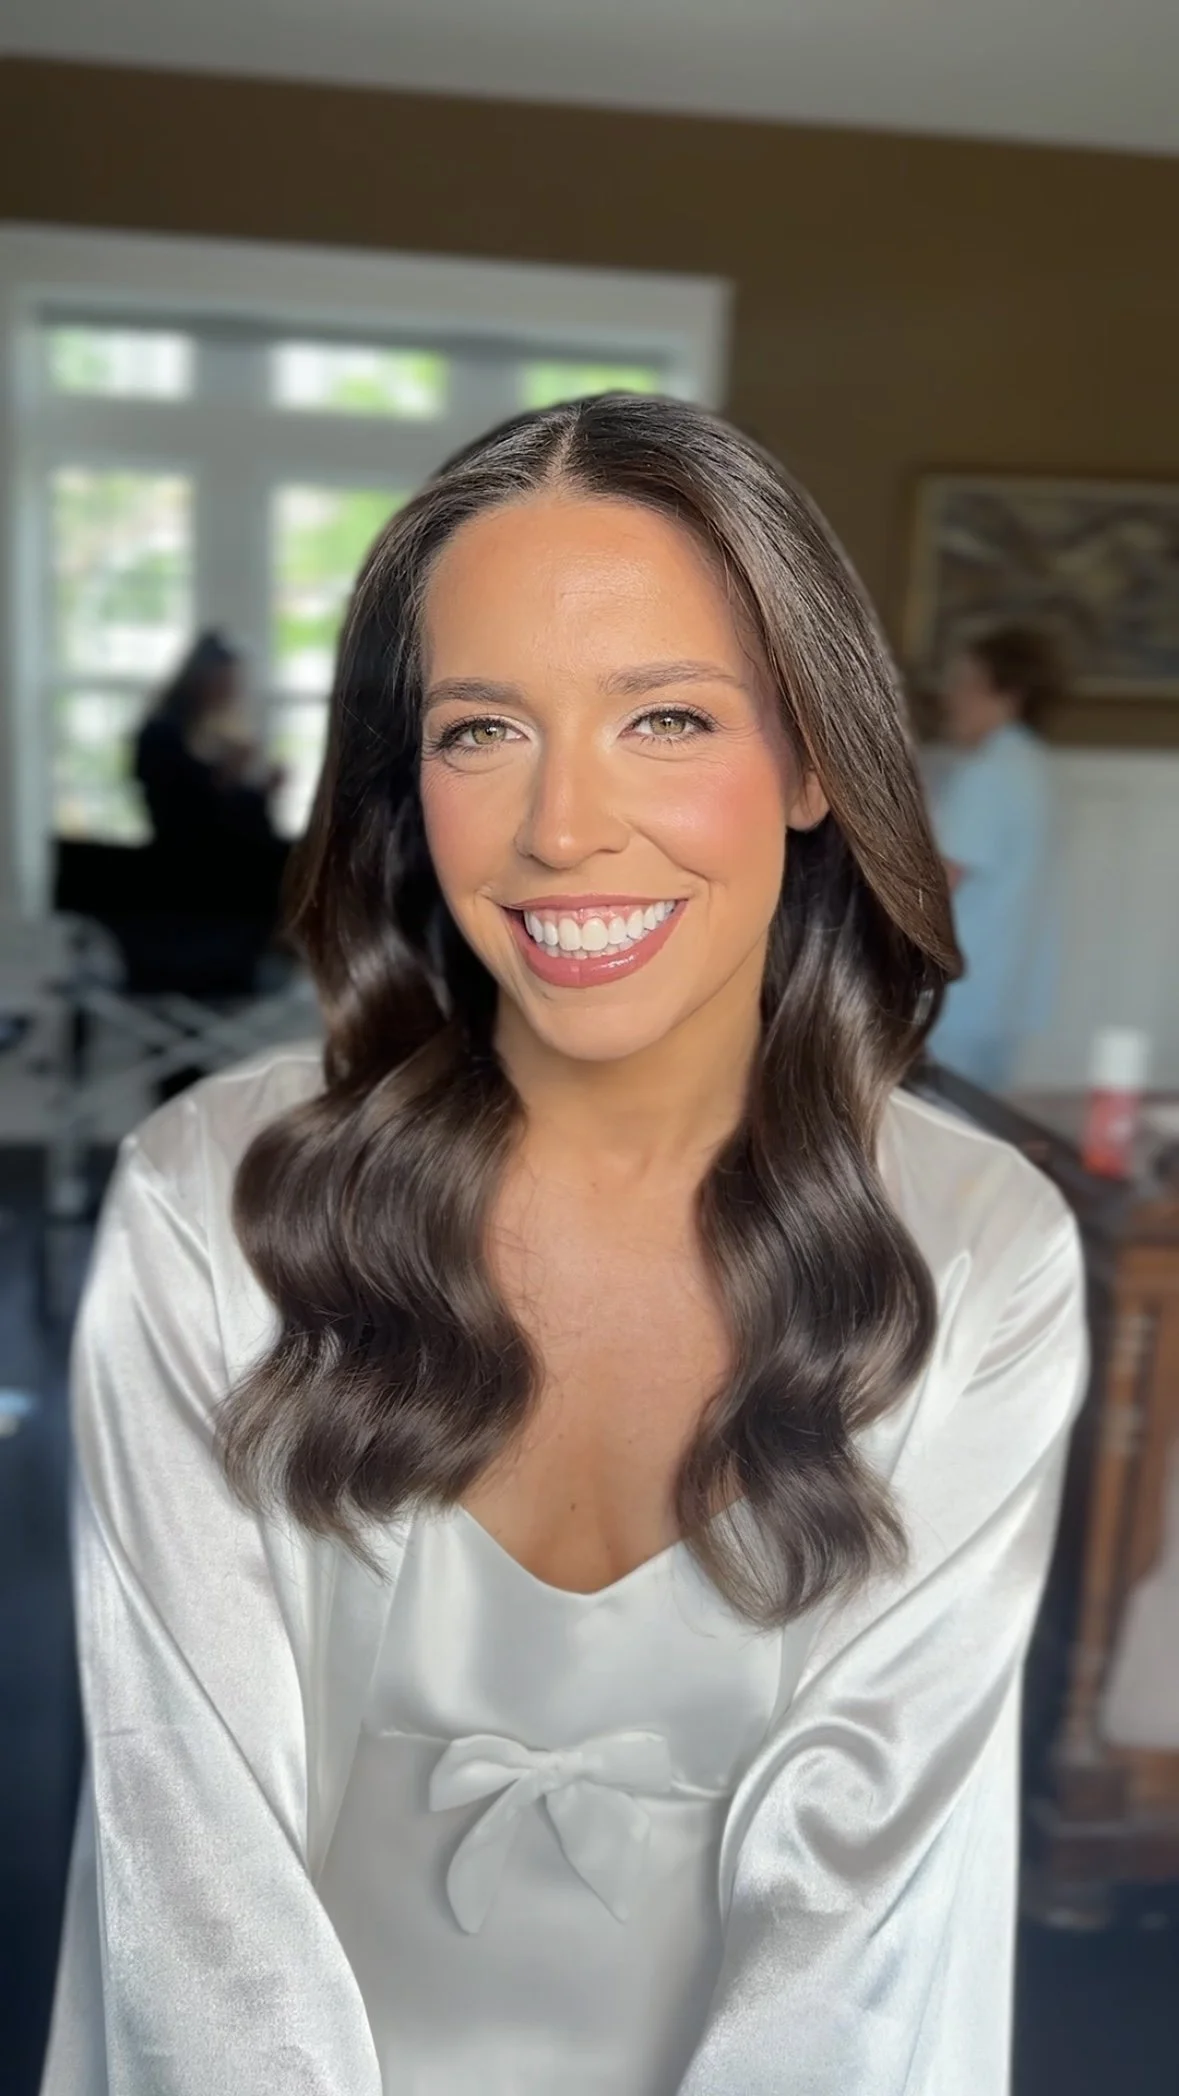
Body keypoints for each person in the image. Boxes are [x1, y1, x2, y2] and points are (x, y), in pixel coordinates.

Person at [42, 397, 1087, 2096]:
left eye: (664, 716)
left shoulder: (974, 1252)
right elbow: (189, 1854)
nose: (560, 828)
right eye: (478, 733)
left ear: (812, 757)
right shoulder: (212, 1198)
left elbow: (863, 1920)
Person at [925, 625, 1061, 1091]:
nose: (951, 697)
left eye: (965, 683)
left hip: (963, 998)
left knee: (944, 1127)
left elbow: (937, 883)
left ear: (1010, 694)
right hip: (1004, 992)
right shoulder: (1032, 765)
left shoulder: (988, 774)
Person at [132, 629, 289, 916]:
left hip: (220, 854)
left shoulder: (209, 730)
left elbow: (226, 802)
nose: (230, 692)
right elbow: (189, 808)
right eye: (225, 682)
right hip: (191, 861)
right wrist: (229, 771)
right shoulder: (163, 732)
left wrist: (259, 787)